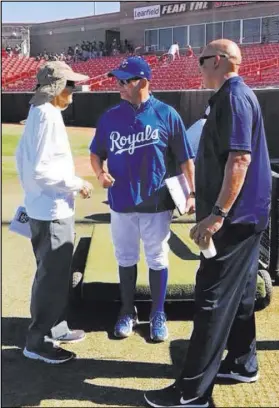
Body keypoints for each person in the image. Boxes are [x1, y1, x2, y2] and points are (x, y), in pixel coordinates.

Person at [144, 39, 272, 407]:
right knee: (242, 293)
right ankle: (242, 362)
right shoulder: (232, 96)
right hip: (245, 215)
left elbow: (240, 160)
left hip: (234, 219)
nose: (197, 67)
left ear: (217, 61)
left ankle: (192, 393)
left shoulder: (234, 96)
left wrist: (216, 215)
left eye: (201, 61)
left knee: (212, 298)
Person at [90, 56, 195, 343]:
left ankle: (158, 313)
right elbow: (96, 152)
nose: (120, 85)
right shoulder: (110, 116)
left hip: (156, 202)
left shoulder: (167, 114)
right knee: (125, 257)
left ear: (144, 82)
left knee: (157, 258)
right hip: (121, 201)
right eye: (118, 80)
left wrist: (191, 192)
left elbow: (186, 159)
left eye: (126, 80)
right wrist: (100, 174)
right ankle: (127, 311)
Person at [16, 61, 93, 364]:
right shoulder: (46, 115)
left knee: (55, 275)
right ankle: (38, 341)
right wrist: (77, 183)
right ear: (58, 88)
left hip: (45, 207)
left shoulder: (41, 113)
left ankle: (56, 327)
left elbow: (25, 162)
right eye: (70, 86)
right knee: (51, 278)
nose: (74, 92)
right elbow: (41, 170)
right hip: (51, 211)